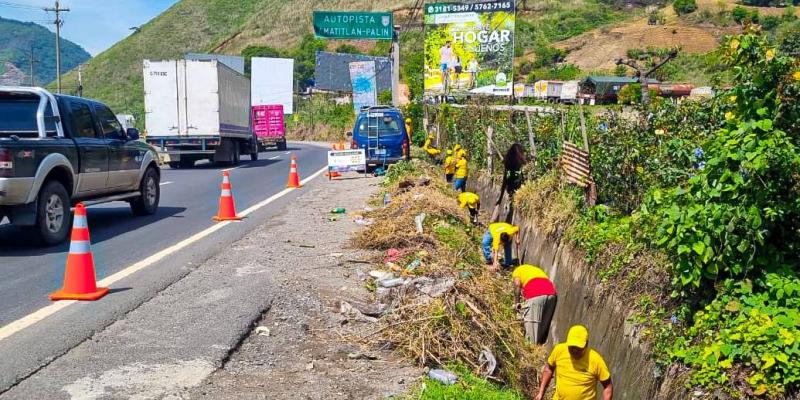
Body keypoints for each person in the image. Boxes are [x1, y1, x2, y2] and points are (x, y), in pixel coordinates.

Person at [534, 325, 614, 400]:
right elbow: (548, 369)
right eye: (572, 347)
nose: (574, 350)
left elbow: (608, 387)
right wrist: (541, 392)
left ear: (586, 344)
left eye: (578, 348)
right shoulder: (559, 350)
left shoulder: (595, 360)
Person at [512, 264, 557, 344]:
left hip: (535, 293)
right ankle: (538, 345)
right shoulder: (535, 270)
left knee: (532, 332)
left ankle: (530, 348)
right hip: (551, 294)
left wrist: (516, 303)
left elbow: (517, 284)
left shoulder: (517, 271)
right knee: (541, 329)